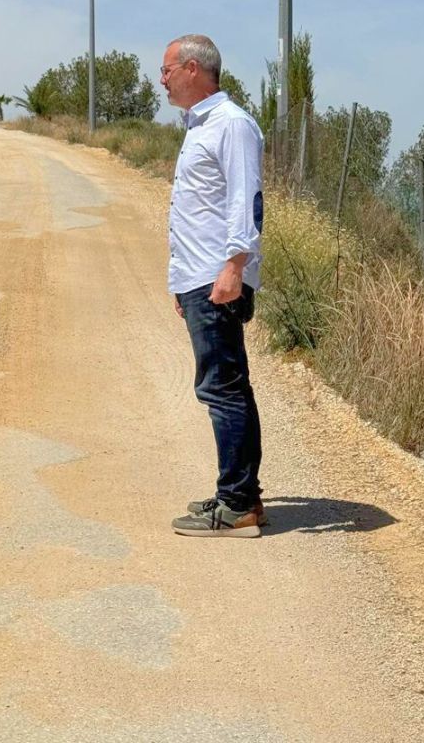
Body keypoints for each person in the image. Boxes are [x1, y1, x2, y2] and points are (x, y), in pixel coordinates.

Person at [161, 34, 266, 538]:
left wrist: (233, 267)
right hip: (199, 277)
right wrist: (181, 281)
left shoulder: (231, 124)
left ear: (192, 69)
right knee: (225, 386)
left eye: (166, 70)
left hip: (218, 276)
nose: (161, 80)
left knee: (222, 389)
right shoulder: (199, 125)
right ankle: (243, 496)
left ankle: (237, 505)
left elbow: (247, 200)